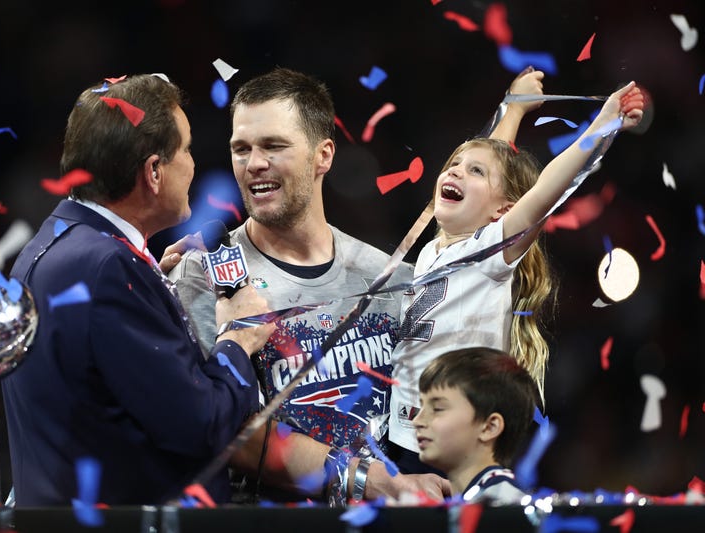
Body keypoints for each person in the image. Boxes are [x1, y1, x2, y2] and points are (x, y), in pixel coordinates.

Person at [163, 67, 542, 504]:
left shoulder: (392, 278)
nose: (255, 164)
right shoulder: (205, 276)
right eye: (241, 149)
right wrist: (367, 480)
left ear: (323, 156)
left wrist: (512, 113)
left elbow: (483, 223)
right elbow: (218, 429)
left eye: (274, 146)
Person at [1, 73, 274, 507]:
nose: (193, 162)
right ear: (153, 171)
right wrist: (238, 339)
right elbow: (203, 427)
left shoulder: (52, 246)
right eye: (184, 149)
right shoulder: (109, 268)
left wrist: (152, 281)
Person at [388, 82, 644, 473]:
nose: (456, 171)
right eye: (453, 164)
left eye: (473, 171)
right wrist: (515, 110)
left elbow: (545, 191)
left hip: (450, 439)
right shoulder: (433, 249)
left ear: (502, 212)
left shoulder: (490, 251)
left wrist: (602, 125)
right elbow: (492, 165)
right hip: (403, 432)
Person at [412, 346, 540, 503]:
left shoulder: (504, 507)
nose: (417, 421)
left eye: (438, 409)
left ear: (489, 427)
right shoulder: (471, 501)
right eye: (421, 406)